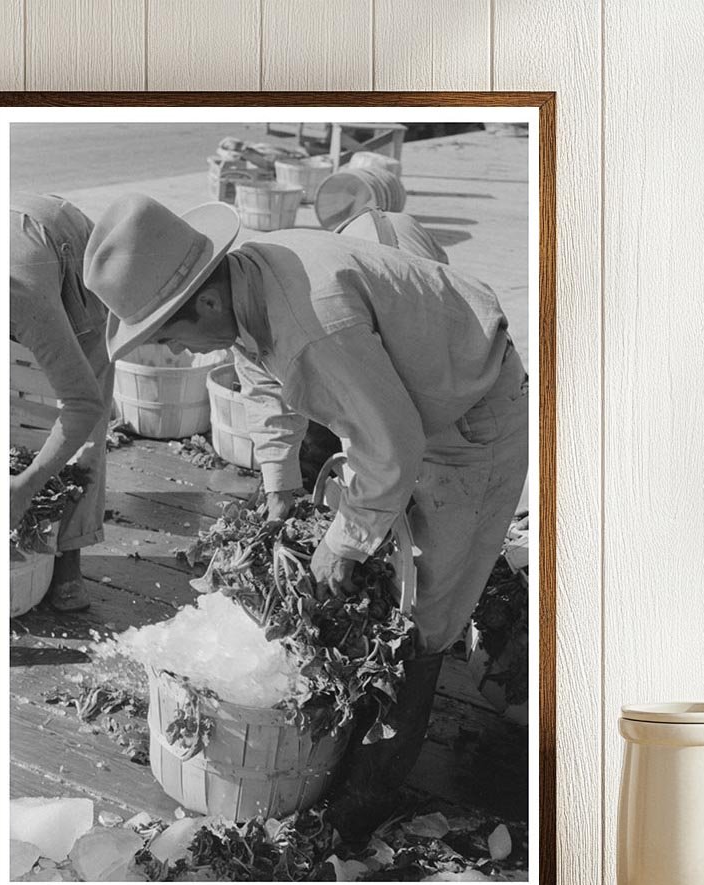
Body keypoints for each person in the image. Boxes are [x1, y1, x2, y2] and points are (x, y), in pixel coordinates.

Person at [83, 194, 528, 840]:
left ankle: (366, 798)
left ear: (204, 303)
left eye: (171, 337)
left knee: (423, 617)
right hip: (407, 397)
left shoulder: (312, 328)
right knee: (381, 562)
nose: (178, 353)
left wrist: (344, 543)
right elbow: (262, 380)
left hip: (471, 418)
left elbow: (392, 447)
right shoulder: (248, 283)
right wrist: (280, 485)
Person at [10, 194, 113, 611]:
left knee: (85, 414)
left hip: (74, 258)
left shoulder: (22, 295)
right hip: (20, 241)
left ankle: (70, 551)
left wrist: (27, 485)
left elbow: (83, 404)